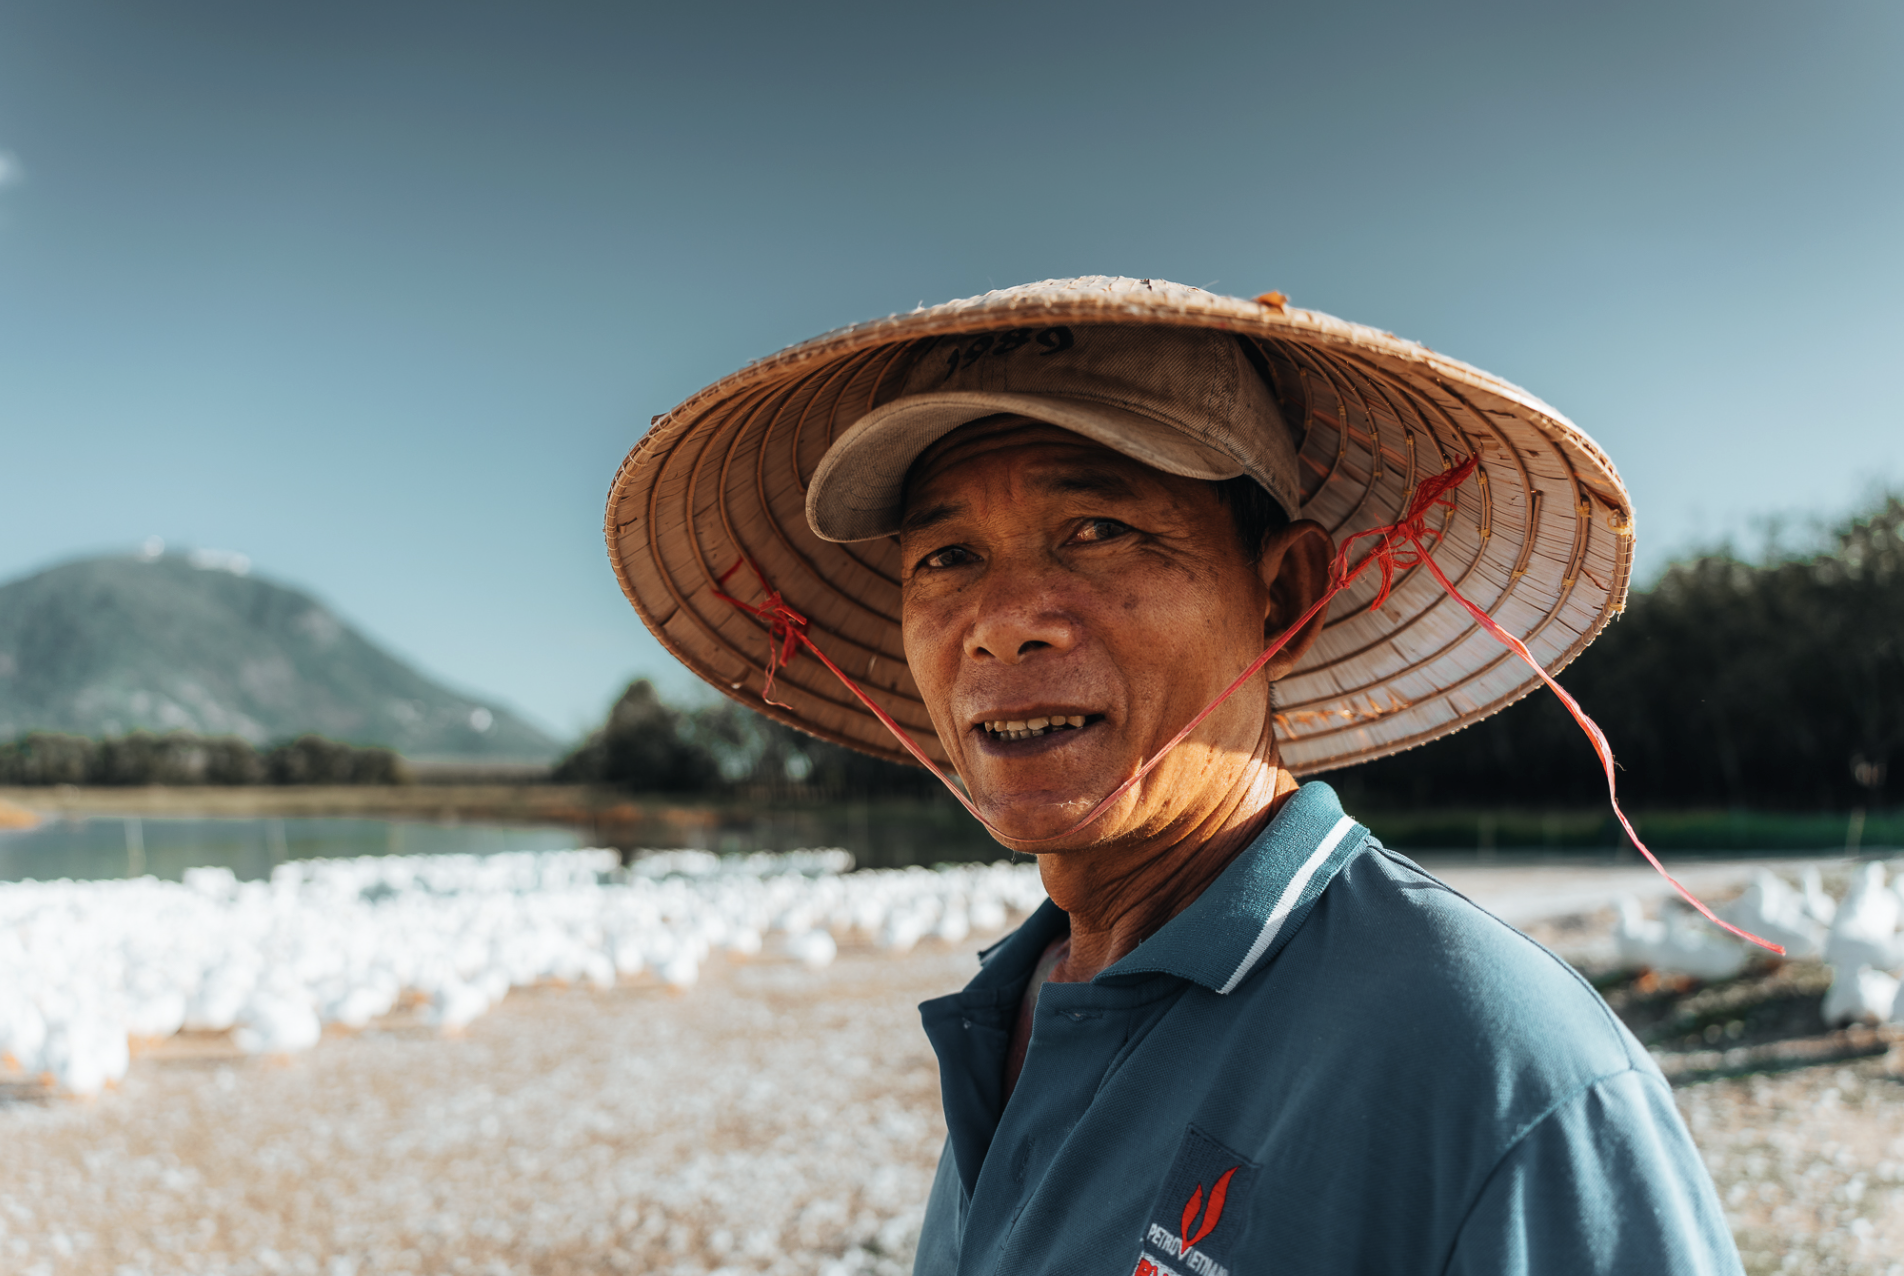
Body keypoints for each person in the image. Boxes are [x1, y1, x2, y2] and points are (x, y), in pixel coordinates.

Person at [604, 278, 1743, 1275]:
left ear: (1283, 596)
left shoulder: (1493, 1065)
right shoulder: (1019, 1004)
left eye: (1097, 528)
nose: (1001, 625)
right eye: (946, 557)